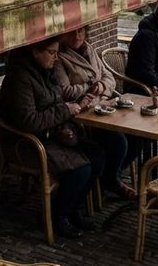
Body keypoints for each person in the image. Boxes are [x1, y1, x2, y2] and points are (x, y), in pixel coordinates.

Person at [0, 36, 105, 238]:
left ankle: (73, 209)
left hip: (54, 133)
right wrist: (65, 111)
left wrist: (77, 106)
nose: (56, 58)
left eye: (57, 52)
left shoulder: (48, 72)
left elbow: (55, 103)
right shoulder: (20, 78)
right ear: (35, 52)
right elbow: (28, 120)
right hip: (30, 142)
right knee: (80, 169)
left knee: (98, 156)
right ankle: (58, 217)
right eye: (51, 52)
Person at [54, 26, 138, 199]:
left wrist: (102, 86)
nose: (77, 36)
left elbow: (109, 78)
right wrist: (90, 86)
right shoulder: (58, 58)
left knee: (137, 135)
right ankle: (110, 180)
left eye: (80, 31)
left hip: (103, 105)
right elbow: (65, 91)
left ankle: (110, 174)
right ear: (63, 34)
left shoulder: (89, 49)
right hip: (83, 114)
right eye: (71, 32)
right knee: (118, 141)